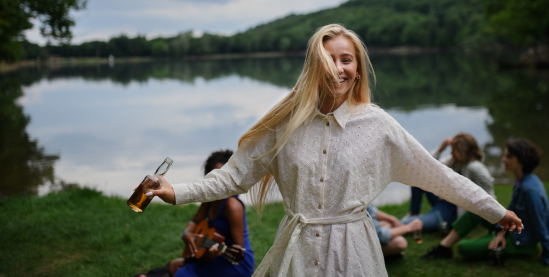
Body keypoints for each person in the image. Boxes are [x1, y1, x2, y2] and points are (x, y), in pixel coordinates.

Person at [149, 24, 522, 277]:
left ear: (358, 68)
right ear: (314, 65)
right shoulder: (284, 123)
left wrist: (492, 210)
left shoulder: (377, 126)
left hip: (354, 250)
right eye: (329, 59)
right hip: (297, 250)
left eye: (347, 59)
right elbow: (233, 175)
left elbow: (437, 176)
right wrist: (175, 191)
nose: (338, 68)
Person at [421, 138, 549, 270]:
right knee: (477, 210)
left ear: (521, 161)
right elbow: (512, 210)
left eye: (508, 157)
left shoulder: (530, 190)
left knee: (464, 248)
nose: (503, 159)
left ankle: (463, 246)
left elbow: (540, 226)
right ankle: (443, 248)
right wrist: (500, 233)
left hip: (522, 242)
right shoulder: (522, 181)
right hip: (512, 230)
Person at [168, 150, 255, 277]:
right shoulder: (210, 199)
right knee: (173, 266)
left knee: (180, 274)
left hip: (235, 262)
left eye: (224, 176)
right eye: (214, 176)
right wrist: (186, 235)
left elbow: (238, 248)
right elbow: (195, 221)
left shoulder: (232, 206)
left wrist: (218, 252)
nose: (218, 181)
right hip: (212, 253)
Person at [402, 133, 495, 232]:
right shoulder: (455, 161)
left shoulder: (474, 168)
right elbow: (426, 165)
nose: (451, 153)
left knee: (406, 224)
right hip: (443, 199)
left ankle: (390, 227)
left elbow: (489, 192)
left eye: (454, 150)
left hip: (451, 211)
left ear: (462, 151)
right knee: (419, 174)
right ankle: (414, 213)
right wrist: (440, 150)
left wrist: (461, 223)